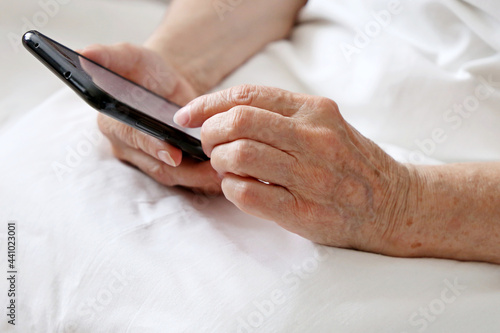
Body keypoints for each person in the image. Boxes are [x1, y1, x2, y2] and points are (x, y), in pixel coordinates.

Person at [81, 0, 500, 264]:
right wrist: (177, 64)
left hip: (449, 191)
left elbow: (394, 201)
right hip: (236, 90)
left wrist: (397, 202)